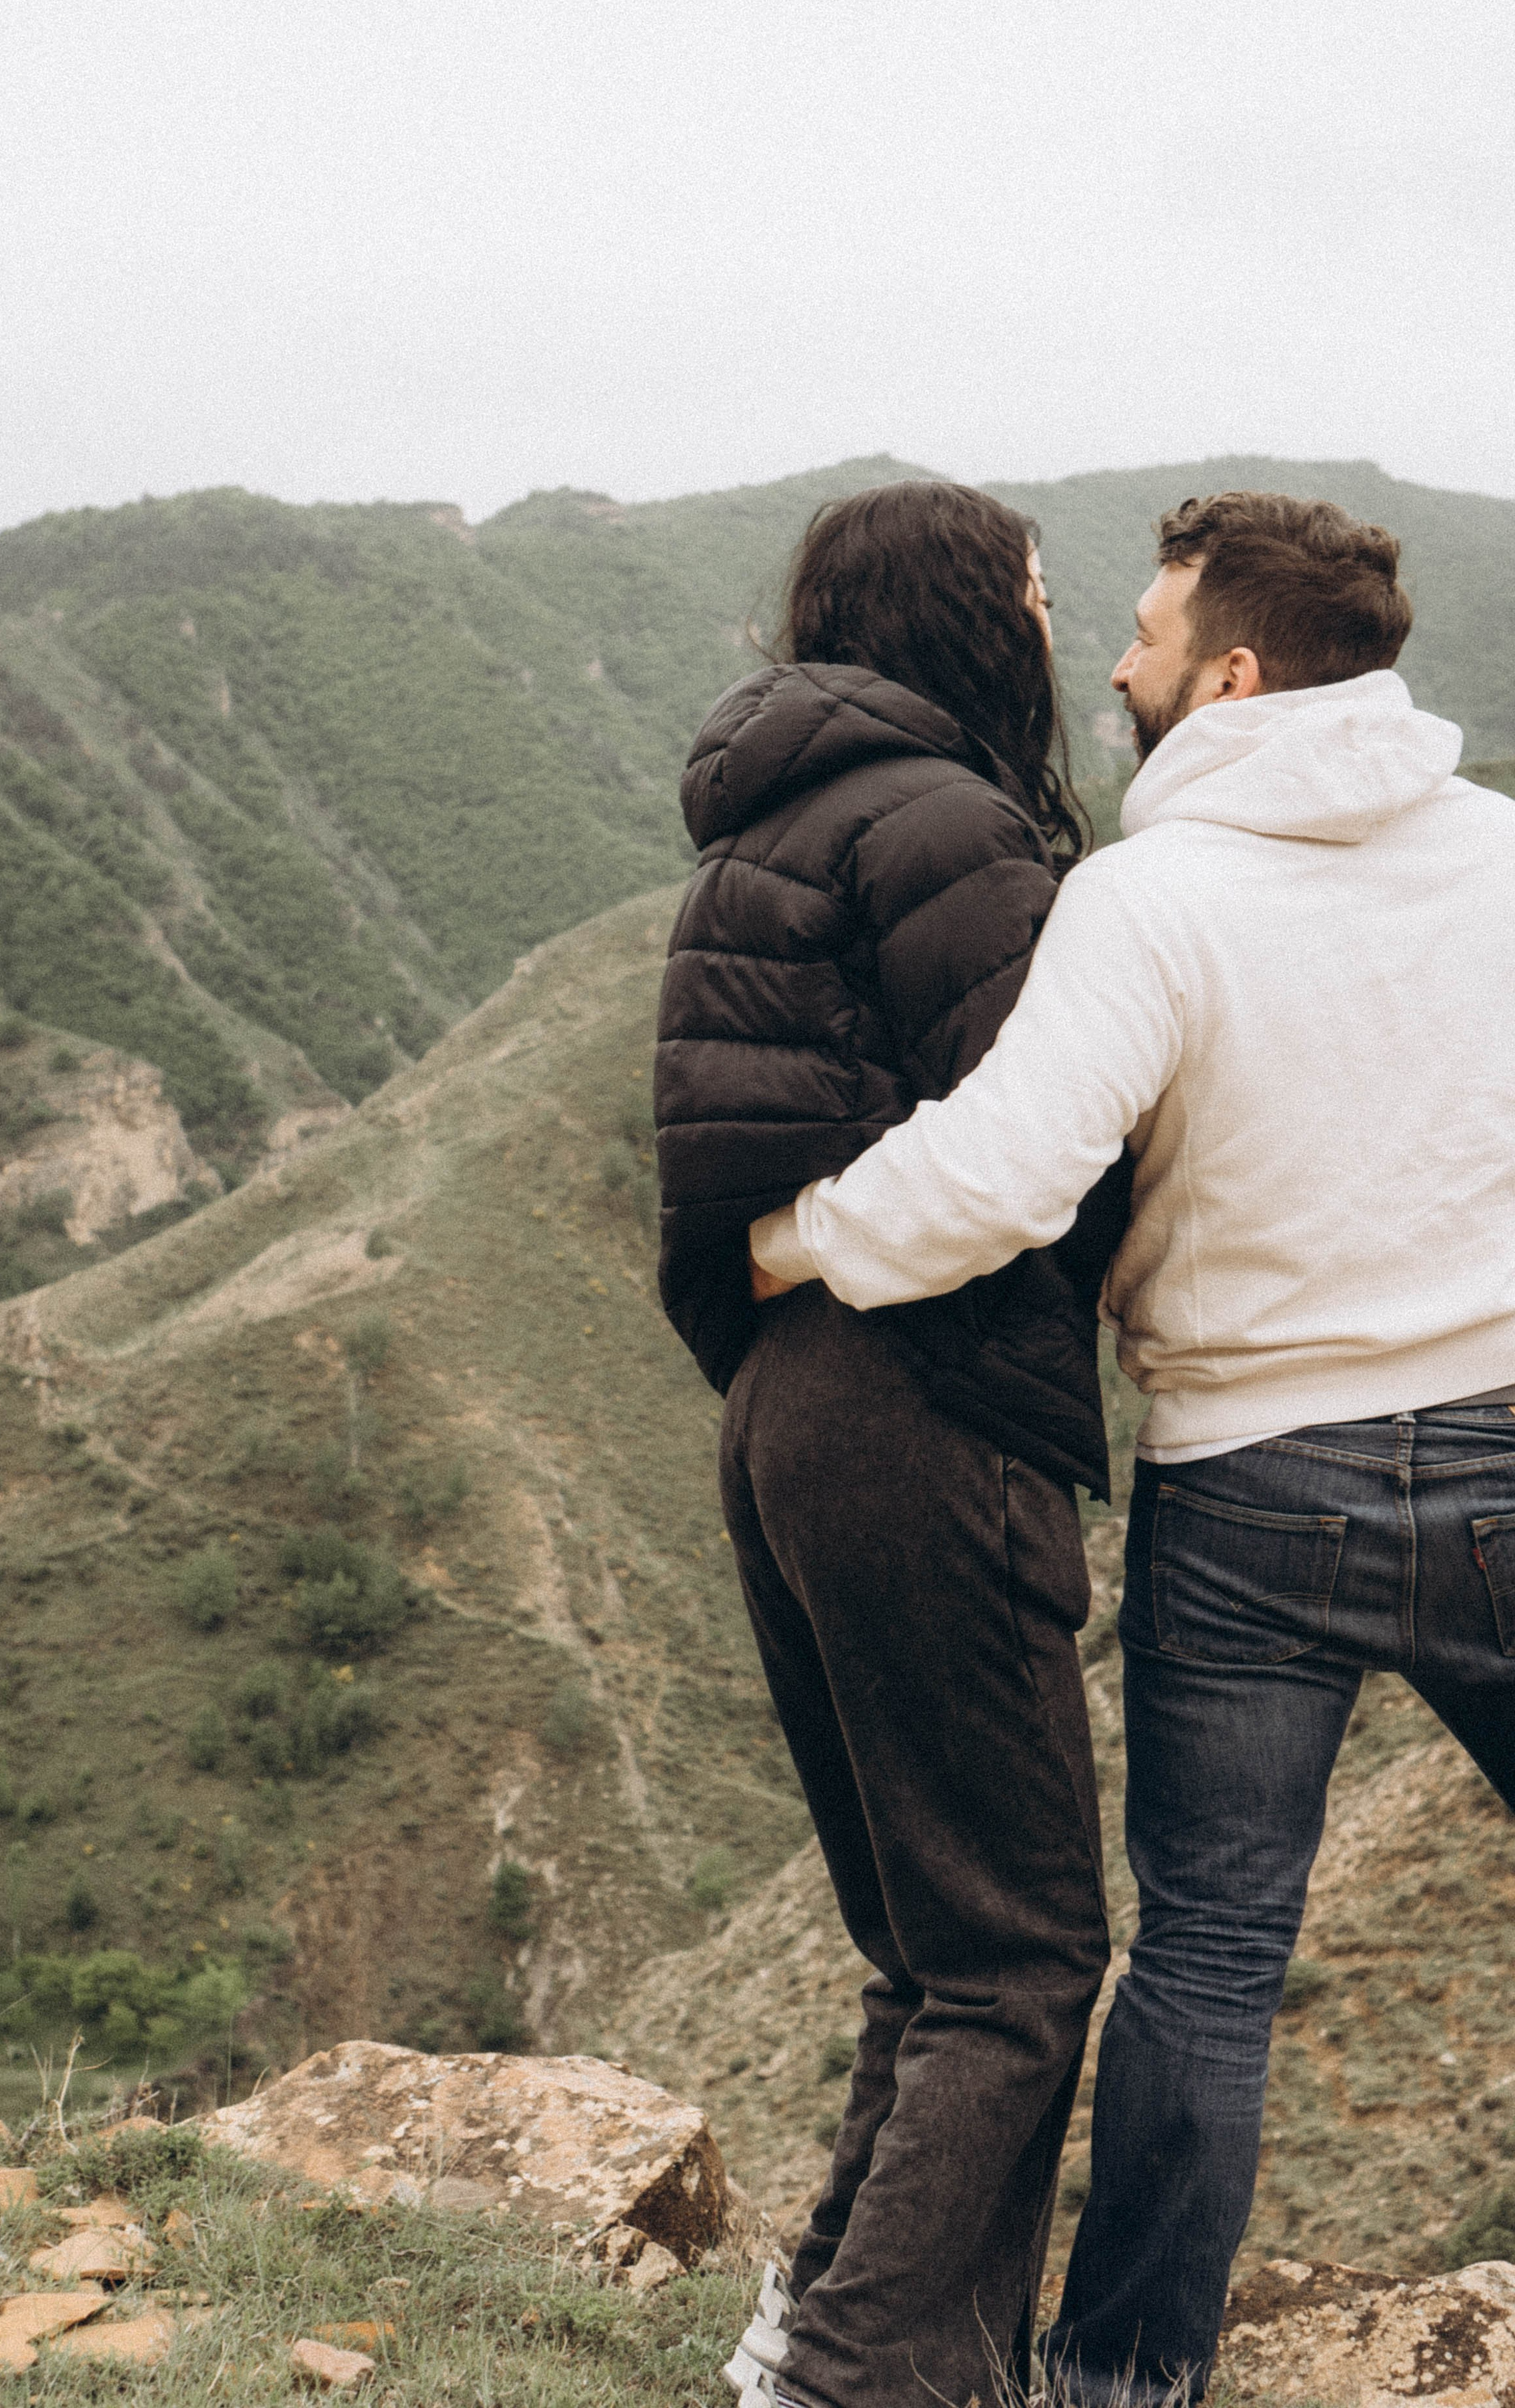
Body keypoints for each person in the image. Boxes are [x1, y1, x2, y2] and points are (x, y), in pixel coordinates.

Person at [747, 490, 1515, 2405]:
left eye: (1152, 629)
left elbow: (996, 1184)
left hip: (1254, 1486)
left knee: (1212, 1959)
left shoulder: (1151, 901)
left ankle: (1120, 2383)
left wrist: (789, 1233)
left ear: (1232, 676)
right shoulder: (1501, 853)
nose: (1112, 656)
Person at [655, 480, 1131, 2408]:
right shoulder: (947, 827)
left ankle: (815, 2339)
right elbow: (1049, 1143)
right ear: (967, 611)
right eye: (1028, 587)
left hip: (786, 1396)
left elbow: (717, 1176)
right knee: (1022, 1960)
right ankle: (863, 2374)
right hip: (924, 1401)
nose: (1048, 615)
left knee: (930, 1956)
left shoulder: (769, 825)